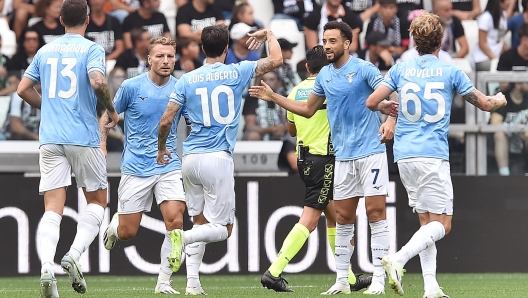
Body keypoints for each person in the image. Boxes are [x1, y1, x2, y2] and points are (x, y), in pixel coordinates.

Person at [365, 11, 507, 298]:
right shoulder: (450, 70)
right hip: (432, 155)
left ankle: (431, 287)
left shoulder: (401, 69)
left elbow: (371, 101)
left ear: (414, 40)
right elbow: (484, 104)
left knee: (426, 223)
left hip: (404, 155)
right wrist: (499, 100)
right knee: (443, 224)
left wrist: (389, 109)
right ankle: (398, 259)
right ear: (441, 40)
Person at [249, 21, 397, 295]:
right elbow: (306, 110)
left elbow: (392, 96)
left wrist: (389, 121)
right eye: (324, 41)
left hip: (370, 153)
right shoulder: (325, 76)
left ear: (347, 43)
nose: (327, 46)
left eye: (332, 41)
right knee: (341, 217)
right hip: (340, 158)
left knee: (375, 213)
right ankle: (343, 280)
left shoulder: (364, 69)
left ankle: (377, 279)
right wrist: (273, 97)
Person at [156, 24, 283, 295]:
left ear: (202, 48)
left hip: (189, 158)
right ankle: (184, 238)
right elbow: (277, 60)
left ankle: (192, 284)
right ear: (226, 48)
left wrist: (161, 148)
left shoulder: (186, 80)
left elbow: (166, 119)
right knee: (224, 229)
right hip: (218, 157)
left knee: (200, 221)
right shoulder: (238, 71)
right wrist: (269, 35)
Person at [16, 0, 120, 297]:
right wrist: (110, 110)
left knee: (52, 209)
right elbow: (98, 82)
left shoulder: (45, 51)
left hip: (50, 138)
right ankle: (74, 254)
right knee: (98, 203)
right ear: (88, 20)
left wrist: (47, 106)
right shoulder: (91, 49)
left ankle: (46, 266)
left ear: (60, 19)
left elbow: (23, 89)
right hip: (83, 137)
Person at [260, 45, 372, 293]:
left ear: (307, 67)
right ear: (329, 67)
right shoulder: (332, 88)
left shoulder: (296, 90)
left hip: (305, 159)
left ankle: (349, 277)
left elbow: (291, 130)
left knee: (333, 217)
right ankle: (274, 271)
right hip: (325, 159)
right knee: (310, 219)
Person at [102, 36, 186, 294]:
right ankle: (115, 226)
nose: (165, 61)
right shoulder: (131, 86)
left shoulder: (181, 87)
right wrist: (102, 146)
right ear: (148, 59)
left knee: (175, 222)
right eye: (160, 56)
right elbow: (107, 116)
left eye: (170, 56)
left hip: (168, 165)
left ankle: (163, 282)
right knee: (128, 232)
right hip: (136, 168)